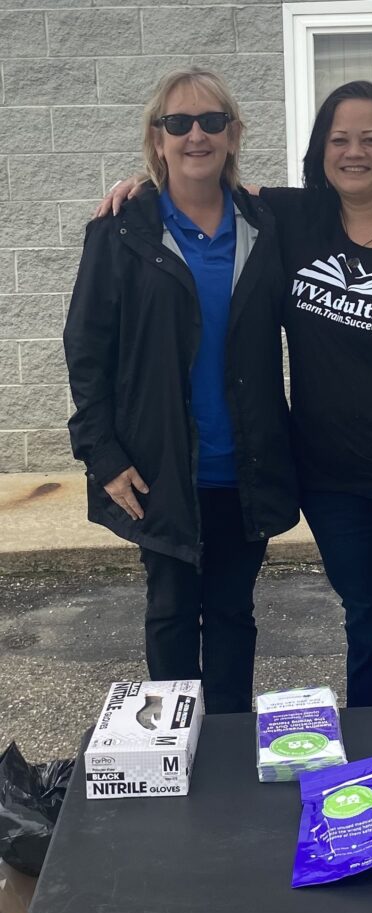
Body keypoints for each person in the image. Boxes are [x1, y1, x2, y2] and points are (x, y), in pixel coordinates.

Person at [97, 79, 372, 709]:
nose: (353, 152)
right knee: (369, 616)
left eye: (370, 139)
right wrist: (141, 187)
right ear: (320, 152)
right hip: (329, 477)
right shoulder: (297, 219)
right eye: (339, 140)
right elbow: (200, 177)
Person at [65, 68, 298, 714]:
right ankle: (174, 745)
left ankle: (226, 742)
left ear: (233, 134)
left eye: (212, 122)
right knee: (169, 610)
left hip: (245, 464)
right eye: (179, 123)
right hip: (160, 465)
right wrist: (102, 455)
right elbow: (86, 350)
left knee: (232, 611)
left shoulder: (266, 224)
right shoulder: (121, 230)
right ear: (157, 137)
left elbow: (341, 198)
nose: (197, 135)